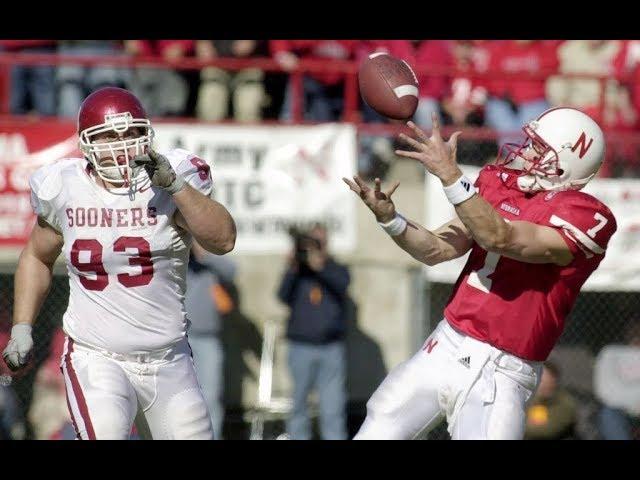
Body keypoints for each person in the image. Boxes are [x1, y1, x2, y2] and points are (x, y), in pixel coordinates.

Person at [343, 107, 616, 440]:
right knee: (379, 424)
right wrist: (390, 219)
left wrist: (450, 176)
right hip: (446, 342)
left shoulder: (584, 216)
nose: (525, 151)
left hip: (501, 367)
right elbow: (435, 249)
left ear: (566, 162)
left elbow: (501, 237)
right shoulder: (501, 185)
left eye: (539, 148)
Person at [2, 86, 237, 440]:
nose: (121, 145)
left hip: (169, 357)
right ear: (86, 143)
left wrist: (175, 186)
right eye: (109, 136)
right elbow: (37, 255)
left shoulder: (170, 180)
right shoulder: (65, 186)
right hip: (97, 355)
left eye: (131, 134)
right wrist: (22, 325)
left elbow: (223, 240)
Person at [277, 223, 351, 440]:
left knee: (333, 408)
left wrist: (320, 267)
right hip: (300, 347)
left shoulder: (336, 268)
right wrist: (293, 267)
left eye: (320, 242)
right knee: (298, 405)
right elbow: (282, 296)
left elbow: (343, 285)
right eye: (313, 242)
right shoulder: (299, 272)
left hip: (331, 348)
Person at [185, 240, 237, 440]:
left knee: (211, 396)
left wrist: (204, 252)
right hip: (179, 340)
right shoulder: (177, 260)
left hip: (208, 339)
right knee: (181, 397)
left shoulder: (210, 263)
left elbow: (232, 271)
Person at [593, 320, 640, 440]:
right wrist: (632, 403)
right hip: (617, 410)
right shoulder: (611, 353)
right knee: (608, 414)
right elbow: (604, 390)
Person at [524, 361, 578, 440]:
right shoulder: (528, 399)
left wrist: (520, 424)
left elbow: (549, 430)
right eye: (541, 380)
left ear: (555, 380)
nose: (544, 384)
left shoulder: (564, 402)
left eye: (548, 380)